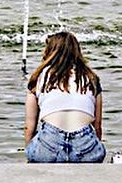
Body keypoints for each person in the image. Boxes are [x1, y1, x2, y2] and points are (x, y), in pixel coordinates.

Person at [25, 30, 105, 163]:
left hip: (49, 144)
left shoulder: (39, 78)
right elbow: (98, 125)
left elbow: (29, 127)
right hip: (85, 145)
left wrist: (31, 151)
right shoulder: (91, 78)